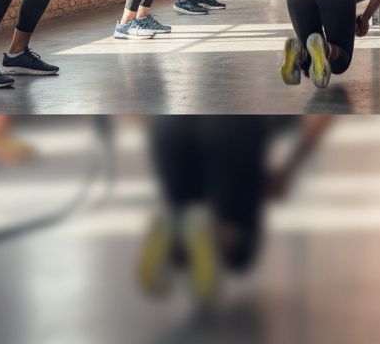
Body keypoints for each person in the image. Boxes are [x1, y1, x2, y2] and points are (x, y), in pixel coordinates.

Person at [137, 116, 334, 306]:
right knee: (237, 247)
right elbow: (327, 106)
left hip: (170, 127)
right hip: (235, 127)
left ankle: (173, 232)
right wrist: (289, 169)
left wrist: (154, 130)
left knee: (187, 224)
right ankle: (214, 234)